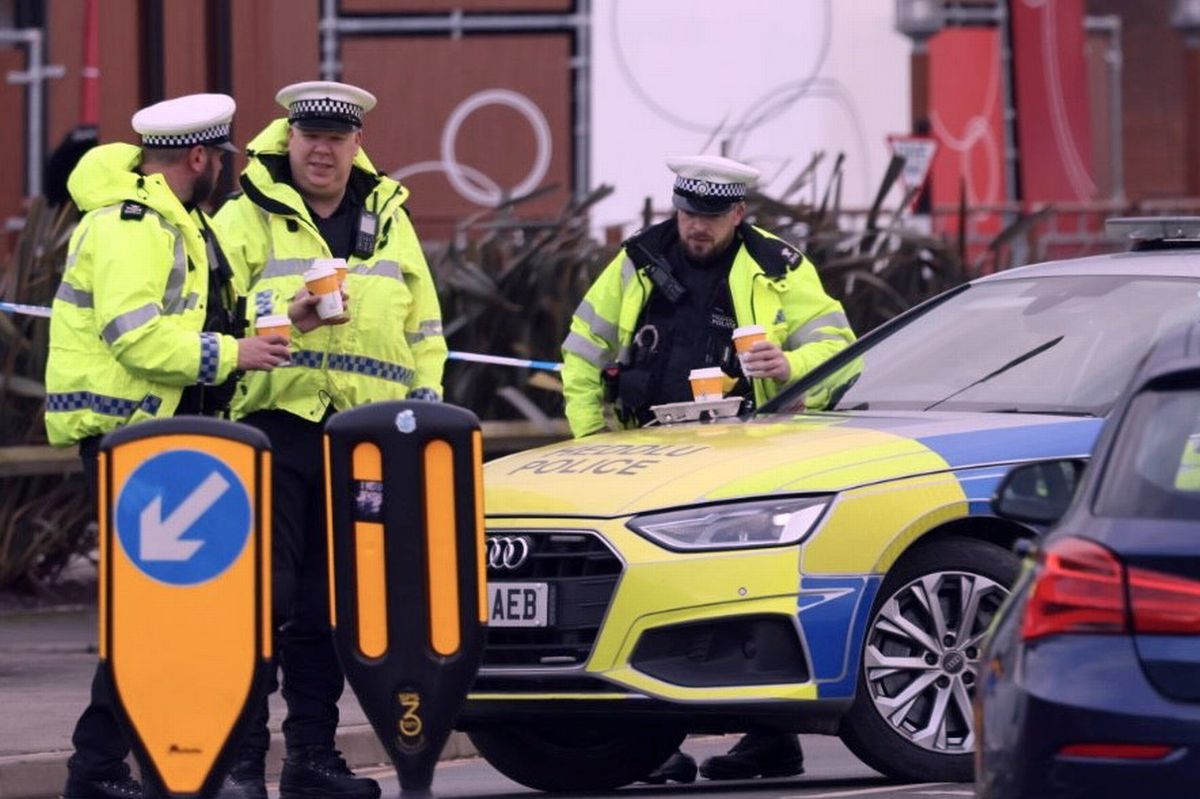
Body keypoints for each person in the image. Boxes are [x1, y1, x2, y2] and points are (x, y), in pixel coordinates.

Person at [561, 155, 855, 783]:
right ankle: (652, 745)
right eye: (690, 213)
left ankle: (772, 739)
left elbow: (841, 351)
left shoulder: (779, 266)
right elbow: (582, 353)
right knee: (645, 595)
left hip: (751, 452)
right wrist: (591, 442)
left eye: (712, 217)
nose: (698, 228)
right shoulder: (638, 260)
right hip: (646, 452)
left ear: (738, 215)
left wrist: (790, 367)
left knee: (756, 588)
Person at [46, 94, 298, 799]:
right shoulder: (132, 226)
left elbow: (205, 315)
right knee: (152, 617)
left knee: (168, 613)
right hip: (131, 439)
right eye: (220, 158)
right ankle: (97, 769)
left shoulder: (176, 221)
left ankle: (123, 763)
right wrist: (235, 354)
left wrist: (283, 323)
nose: (222, 168)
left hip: (168, 441)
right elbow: (139, 336)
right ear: (198, 158)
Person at [213, 81, 446, 799]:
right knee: (262, 597)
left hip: (363, 437)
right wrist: (287, 314)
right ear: (288, 138)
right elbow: (214, 312)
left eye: (336, 138)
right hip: (268, 426)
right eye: (309, 135)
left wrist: (422, 411)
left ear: (355, 144)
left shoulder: (388, 217)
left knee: (326, 602)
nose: (322, 149)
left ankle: (311, 757)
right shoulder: (244, 213)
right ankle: (242, 761)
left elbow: (424, 326)